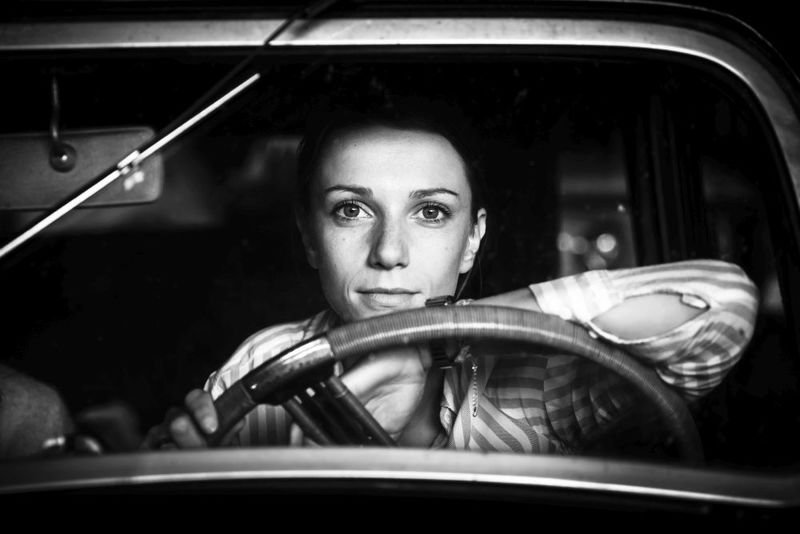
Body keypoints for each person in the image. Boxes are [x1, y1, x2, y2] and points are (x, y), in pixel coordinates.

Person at [147, 100, 759, 454]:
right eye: (351, 210)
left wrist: (439, 334)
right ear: (310, 236)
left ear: (472, 239)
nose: (389, 252)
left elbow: (722, 307)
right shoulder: (269, 363)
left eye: (432, 212)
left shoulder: (536, 378)